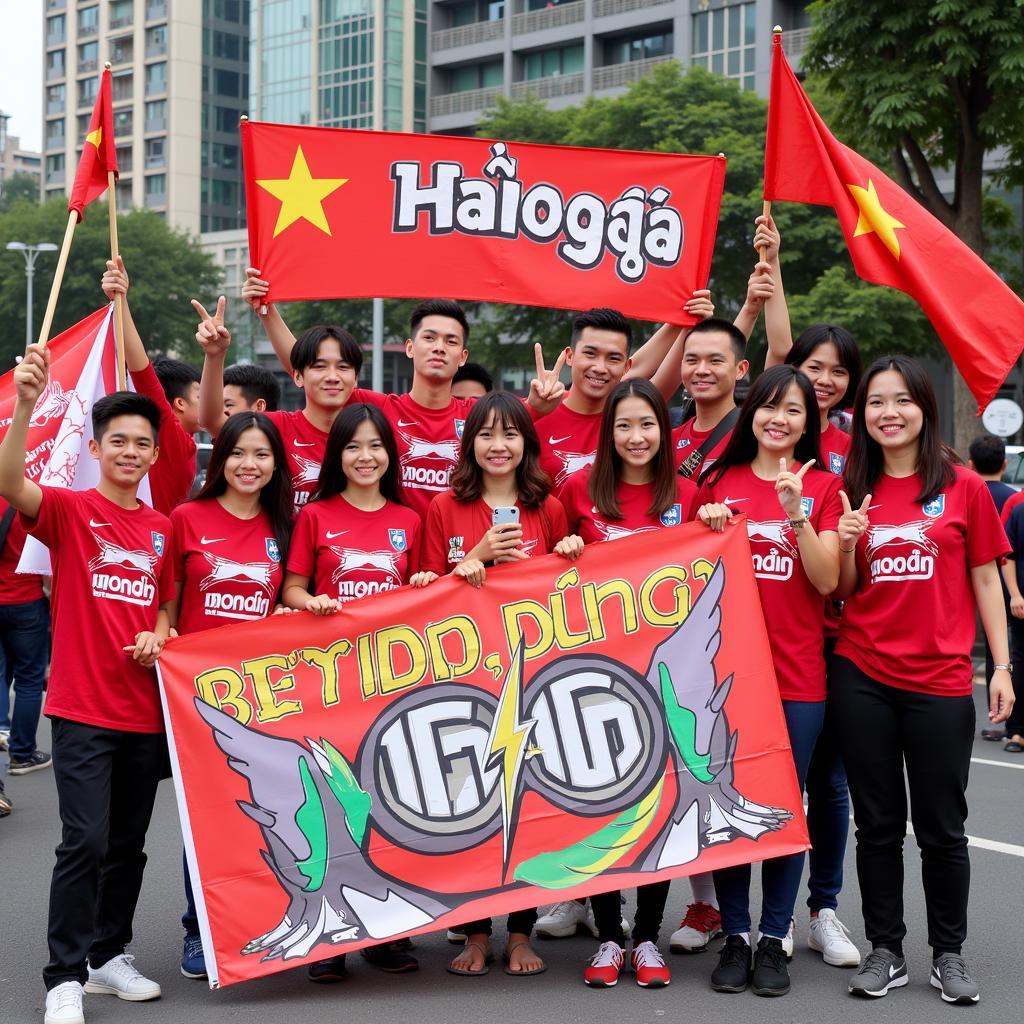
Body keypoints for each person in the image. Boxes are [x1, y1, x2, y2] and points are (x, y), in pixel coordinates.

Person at [1, 345, 175, 1024]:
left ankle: (108, 957)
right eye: (118, 442)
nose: (130, 452)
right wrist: (22, 407)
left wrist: (161, 632)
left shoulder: (162, 529)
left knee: (129, 845)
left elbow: (165, 602)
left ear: (155, 455)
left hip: (144, 713)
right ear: (97, 449)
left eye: (142, 444)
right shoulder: (71, 511)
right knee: (85, 842)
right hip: (79, 708)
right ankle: (63, 976)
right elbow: (12, 481)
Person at [833, 356, 1014, 1004]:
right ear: (863, 415)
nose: (888, 412)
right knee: (877, 825)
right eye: (875, 402)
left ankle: (948, 954)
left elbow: (987, 577)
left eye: (901, 400)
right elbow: (844, 590)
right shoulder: (848, 487)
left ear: (923, 407)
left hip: (940, 681)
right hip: (863, 675)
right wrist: (849, 540)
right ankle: (885, 949)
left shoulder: (963, 486)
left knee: (943, 826)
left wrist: (1002, 667)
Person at [695, 364, 842, 998]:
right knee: (727, 803)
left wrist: (795, 514)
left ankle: (775, 938)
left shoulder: (827, 487)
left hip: (798, 675)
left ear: (810, 424)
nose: (778, 418)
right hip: (722, 677)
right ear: (750, 410)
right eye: (768, 406)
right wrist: (702, 525)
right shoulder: (715, 482)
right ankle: (734, 933)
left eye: (794, 411)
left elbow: (828, 580)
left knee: (787, 807)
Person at [422, 391, 580, 977]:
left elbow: (572, 588)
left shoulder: (551, 508)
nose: (498, 445)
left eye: (510, 434)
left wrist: (568, 551)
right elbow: (426, 595)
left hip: (534, 673)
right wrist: (476, 558)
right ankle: (473, 933)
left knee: (531, 805)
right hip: (464, 679)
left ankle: (519, 931)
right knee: (471, 808)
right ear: (470, 445)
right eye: (485, 434)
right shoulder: (444, 508)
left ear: (526, 445)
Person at [282, 402, 435, 980]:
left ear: (390, 455)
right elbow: (292, 589)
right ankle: (331, 940)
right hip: (329, 684)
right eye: (353, 447)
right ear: (336, 455)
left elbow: (429, 597)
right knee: (332, 808)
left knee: (392, 806)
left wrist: (424, 581)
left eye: (376, 446)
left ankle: (388, 933)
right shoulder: (316, 516)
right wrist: (311, 602)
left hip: (391, 684)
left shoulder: (410, 518)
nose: (365, 457)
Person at [558, 379, 698, 988]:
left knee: (658, 810)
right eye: (623, 426)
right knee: (600, 809)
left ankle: (648, 938)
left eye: (647, 425)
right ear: (607, 433)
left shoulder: (691, 496)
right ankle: (609, 937)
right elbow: (542, 578)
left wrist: (719, 521)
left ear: (662, 432)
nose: (636, 437)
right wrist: (562, 546)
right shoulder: (577, 492)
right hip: (595, 681)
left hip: (668, 679)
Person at [238, 276, 566, 519]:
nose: (439, 347)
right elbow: (313, 369)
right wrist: (267, 311)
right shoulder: (377, 409)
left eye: (451, 341)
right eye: (429, 337)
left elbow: (528, 412)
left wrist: (539, 403)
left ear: (462, 356)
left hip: (460, 559)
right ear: (411, 347)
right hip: (395, 554)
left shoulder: (479, 417)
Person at [166, 411, 293, 981]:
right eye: (238, 453)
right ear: (220, 461)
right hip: (195, 696)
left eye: (262, 455)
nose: (249, 465)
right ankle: (200, 931)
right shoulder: (187, 518)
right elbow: (167, 598)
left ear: (276, 465)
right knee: (205, 819)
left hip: (261, 697)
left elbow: (290, 598)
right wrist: (166, 629)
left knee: (261, 818)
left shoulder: (283, 525)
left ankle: (257, 924)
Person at [778, 323, 863, 966]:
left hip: (843, 636)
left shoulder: (858, 448)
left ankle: (823, 909)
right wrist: (767, 281)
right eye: (814, 366)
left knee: (828, 781)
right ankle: (734, 917)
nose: (825, 380)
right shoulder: (767, 438)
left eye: (838, 370)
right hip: (773, 640)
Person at [195, 296, 362, 514]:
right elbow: (212, 420)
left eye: (343, 367)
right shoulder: (275, 427)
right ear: (298, 376)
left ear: (356, 378)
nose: (332, 376)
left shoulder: (370, 432)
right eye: (319, 366)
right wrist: (215, 356)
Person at [532, 301, 712, 499]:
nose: (600, 367)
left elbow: (666, 376)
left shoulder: (630, 415)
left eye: (613, 359)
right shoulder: (535, 410)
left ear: (626, 366)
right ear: (569, 356)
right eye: (590, 354)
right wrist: (532, 409)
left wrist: (689, 318)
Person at [101, 259, 198, 516]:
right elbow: (142, 373)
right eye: (200, 394)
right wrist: (121, 301)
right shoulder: (173, 438)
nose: (131, 453)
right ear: (179, 403)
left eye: (142, 446)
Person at [967, 433, 1016, 740]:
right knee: (1009, 655)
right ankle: (1012, 720)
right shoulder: (1013, 497)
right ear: (1005, 463)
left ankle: (995, 714)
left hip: (971, 591)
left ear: (971, 464)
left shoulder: (966, 492)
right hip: (1009, 589)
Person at [0, 493, 51, 777]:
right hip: (27, 601)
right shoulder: (31, 502)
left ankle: (1, 729)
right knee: (29, 680)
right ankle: (22, 753)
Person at [998, 502, 1024, 753]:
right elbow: (1009, 557)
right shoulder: (1020, 511)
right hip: (1022, 605)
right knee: (1021, 664)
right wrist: (1015, 595)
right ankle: (1016, 731)